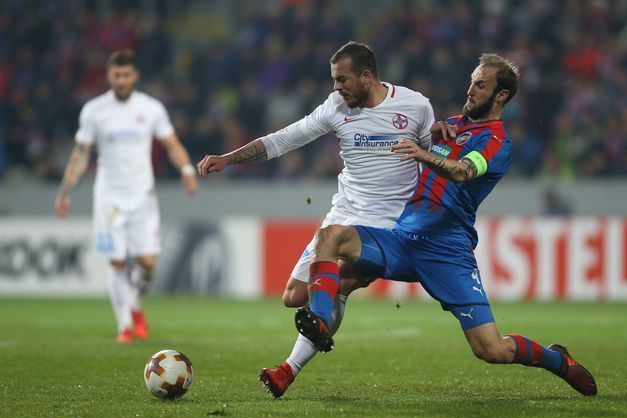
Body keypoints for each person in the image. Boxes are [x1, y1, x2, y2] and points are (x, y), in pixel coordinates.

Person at [295, 53, 597, 396]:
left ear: (501, 96)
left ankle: (557, 360)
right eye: (471, 82)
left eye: (481, 85)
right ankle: (319, 321)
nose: (471, 90)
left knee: (490, 349)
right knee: (331, 237)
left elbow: (462, 171)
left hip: (446, 250)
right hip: (404, 239)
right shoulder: (452, 124)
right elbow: (424, 140)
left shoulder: (496, 141)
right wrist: (429, 135)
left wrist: (425, 154)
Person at [197, 41, 435, 397]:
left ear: (366, 76)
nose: (336, 87)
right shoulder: (337, 107)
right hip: (344, 212)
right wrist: (228, 159)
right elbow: (284, 140)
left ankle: (288, 369)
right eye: (334, 80)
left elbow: (433, 160)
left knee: (338, 284)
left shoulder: (415, 106)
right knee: (293, 297)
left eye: (342, 80)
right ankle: (320, 320)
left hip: (389, 225)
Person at [54, 49, 197, 343]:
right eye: (116, 75)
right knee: (117, 261)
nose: (121, 80)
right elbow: (81, 155)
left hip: (143, 195)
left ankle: (134, 304)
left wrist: (185, 169)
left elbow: (171, 143)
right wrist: (65, 192)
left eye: (126, 75)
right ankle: (124, 326)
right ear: (109, 75)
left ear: (135, 76)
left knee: (147, 264)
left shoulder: (151, 108)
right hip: (109, 198)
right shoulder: (94, 110)